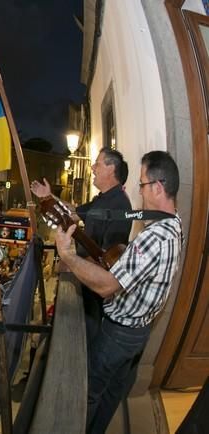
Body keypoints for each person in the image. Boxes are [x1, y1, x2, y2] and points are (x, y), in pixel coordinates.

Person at [53, 151, 183, 434]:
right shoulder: (173, 223)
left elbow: (108, 285)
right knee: (113, 392)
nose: (139, 191)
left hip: (119, 334)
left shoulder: (155, 237)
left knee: (90, 391)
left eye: (142, 184)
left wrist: (69, 256)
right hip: (140, 331)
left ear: (158, 187)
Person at [31, 147, 132, 341]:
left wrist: (72, 262)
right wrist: (48, 197)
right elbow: (73, 212)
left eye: (98, 163)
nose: (92, 168)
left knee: (86, 339)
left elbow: (109, 260)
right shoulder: (101, 199)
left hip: (95, 294)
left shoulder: (120, 205)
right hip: (83, 280)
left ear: (111, 169)